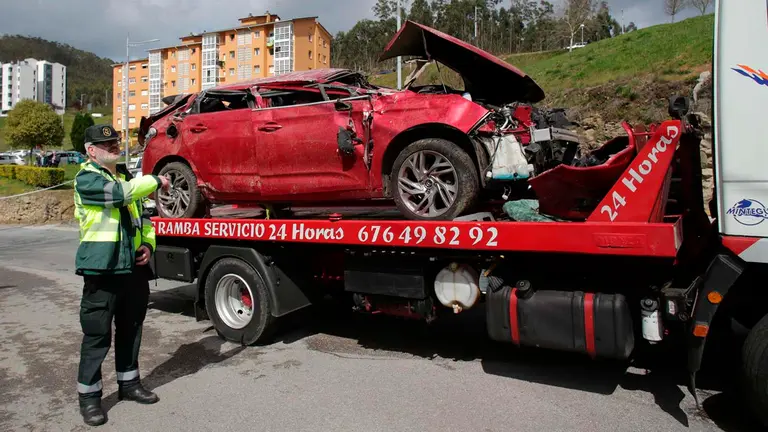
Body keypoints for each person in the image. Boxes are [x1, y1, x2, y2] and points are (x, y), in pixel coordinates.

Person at [72, 124, 170, 426]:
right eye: (107, 144)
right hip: (102, 270)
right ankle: (90, 399)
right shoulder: (87, 179)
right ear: (91, 151)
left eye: (115, 142)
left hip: (132, 269)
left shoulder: (126, 177)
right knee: (97, 335)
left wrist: (148, 246)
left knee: (131, 329)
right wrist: (154, 179)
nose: (114, 147)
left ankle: (129, 384)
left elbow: (145, 219)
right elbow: (118, 196)